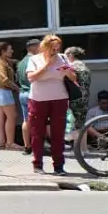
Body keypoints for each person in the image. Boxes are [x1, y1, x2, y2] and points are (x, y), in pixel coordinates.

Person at [26, 34, 76, 175]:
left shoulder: (63, 58)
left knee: (58, 133)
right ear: (45, 47)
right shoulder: (35, 59)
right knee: (37, 133)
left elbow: (73, 78)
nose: (55, 50)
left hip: (59, 99)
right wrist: (47, 65)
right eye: (53, 48)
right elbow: (31, 77)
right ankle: (37, 165)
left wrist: (68, 72)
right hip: (38, 99)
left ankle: (59, 166)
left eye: (58, 47)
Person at [0, 41, 21, 150]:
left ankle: (2, 142)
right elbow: (4, 79)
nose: (12, 51)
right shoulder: (0, 63)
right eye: (10, 49)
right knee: (12, 116)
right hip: (2, 91)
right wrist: (16, 88)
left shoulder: (3, 61)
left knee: (1, 117)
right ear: (3, 51)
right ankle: (10, 143)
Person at [16, 38, 40, 155]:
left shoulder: (20, 63)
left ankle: (27, 146)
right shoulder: (35, 61)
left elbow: (17, 79)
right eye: (40, 47)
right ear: (34, 48)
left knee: (26, 120)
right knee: (40, 120)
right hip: (34, 93)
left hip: (22, 93)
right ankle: (39, 145)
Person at [64, 46, 91, 142]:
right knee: (81, 122)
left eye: (65, 56)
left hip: (76, 97)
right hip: (85, 96)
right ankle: (83, 149)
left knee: (76, 124)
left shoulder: (72, 65)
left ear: (70, 55)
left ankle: (71, 139)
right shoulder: (83, 65)